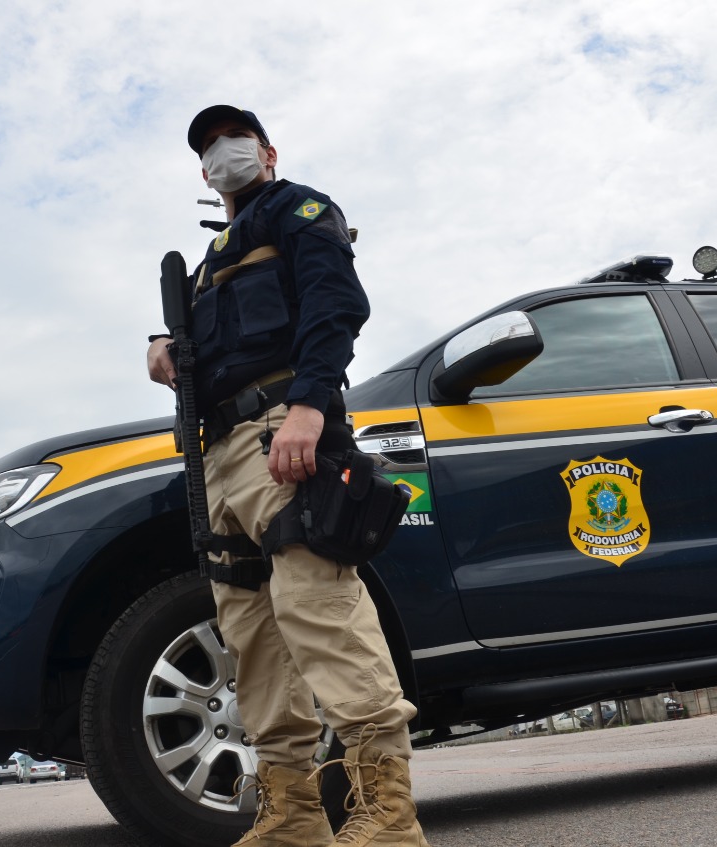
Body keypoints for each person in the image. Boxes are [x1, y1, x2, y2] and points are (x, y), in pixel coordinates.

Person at [147, 105, 431, 847]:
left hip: (285, 429)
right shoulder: (209, 266)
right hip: (218, 454)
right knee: (252, 636)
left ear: (267, 151)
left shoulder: (299, 209)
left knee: (318, 609)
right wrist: (167, 347)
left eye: (233, 138)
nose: (222, 151)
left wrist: (308, 406)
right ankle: (293, 817)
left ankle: (388, 816)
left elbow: (336, 304)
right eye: (208, 146)